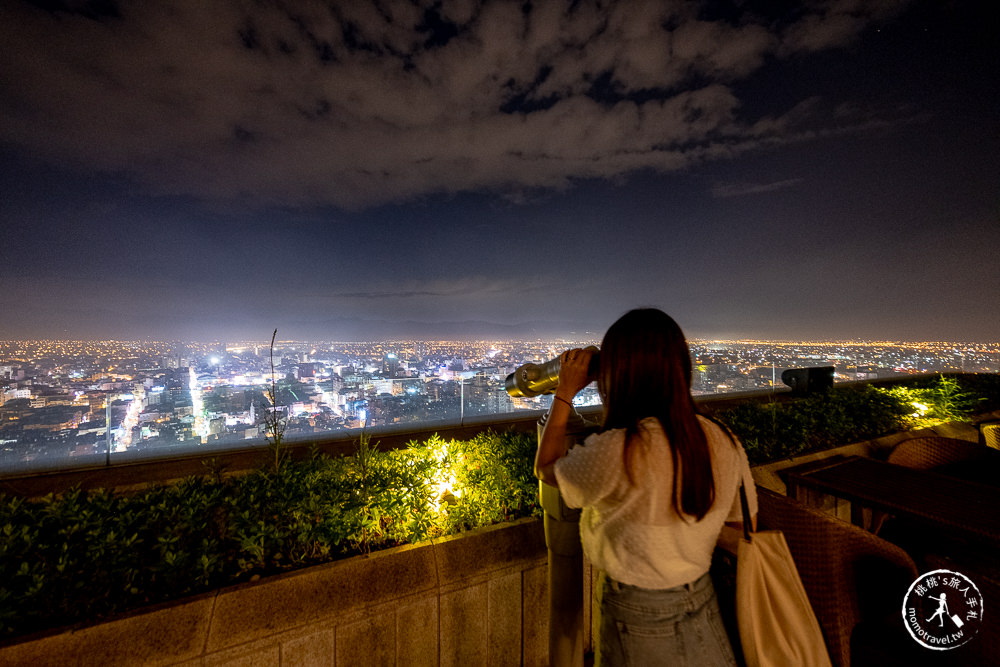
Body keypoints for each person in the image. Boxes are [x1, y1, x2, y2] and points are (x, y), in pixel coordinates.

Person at [534, 308, 756, 667]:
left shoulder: (621, 449)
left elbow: (546, 470)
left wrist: (564, 394)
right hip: (704, 600)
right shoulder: (720, 438)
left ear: (618, 375)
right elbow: (739, 528)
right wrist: (683, 536)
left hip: (636, 613)